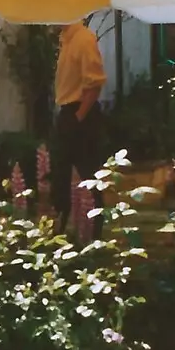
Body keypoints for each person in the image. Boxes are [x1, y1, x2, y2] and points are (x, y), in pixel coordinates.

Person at [52, 16, 108, 229]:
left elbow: (94, 84)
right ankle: (65, 225)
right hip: (68, 111)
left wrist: (78, 118)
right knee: (61, 174)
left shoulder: (83, 39)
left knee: (88, 174)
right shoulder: (66, 39)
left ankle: (93, 230)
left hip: (80, 113)